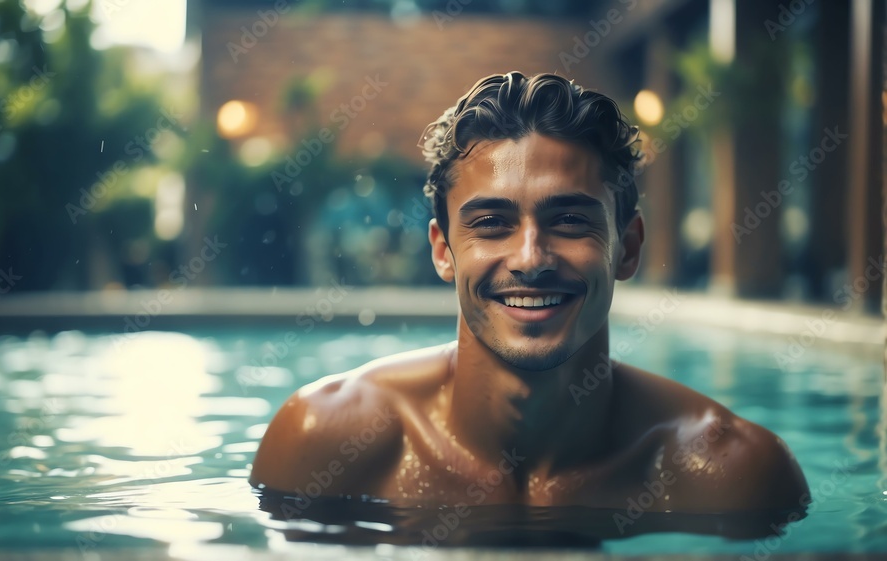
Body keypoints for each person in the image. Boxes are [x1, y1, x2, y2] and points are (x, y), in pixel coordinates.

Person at [249, 71, 809, 513]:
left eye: (568, 220)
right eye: (491, 223)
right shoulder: (323, 445)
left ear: (628, 247)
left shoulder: (733, 473)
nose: (530, 258)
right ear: (444, 250)